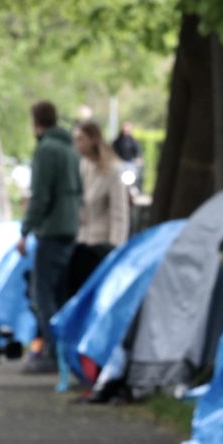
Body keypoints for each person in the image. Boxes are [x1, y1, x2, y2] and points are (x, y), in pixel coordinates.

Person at [17, 99, 81, 373]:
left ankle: (53, 353)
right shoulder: (70, 149)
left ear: (36, 121)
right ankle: (63, 351)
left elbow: (41, 196)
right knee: (60, 293)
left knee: (42, 294)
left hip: (52, 230)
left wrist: (25, 230)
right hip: (69, 229)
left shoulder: (46, 150)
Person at [65, 118, 130, 302]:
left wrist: (116, 246)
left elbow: (120, 212)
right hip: (81, 241)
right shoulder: (83, 166)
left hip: (101, 245)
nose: (77, 143)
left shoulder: (112, 170)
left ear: (93, 140)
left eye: (81, 139)